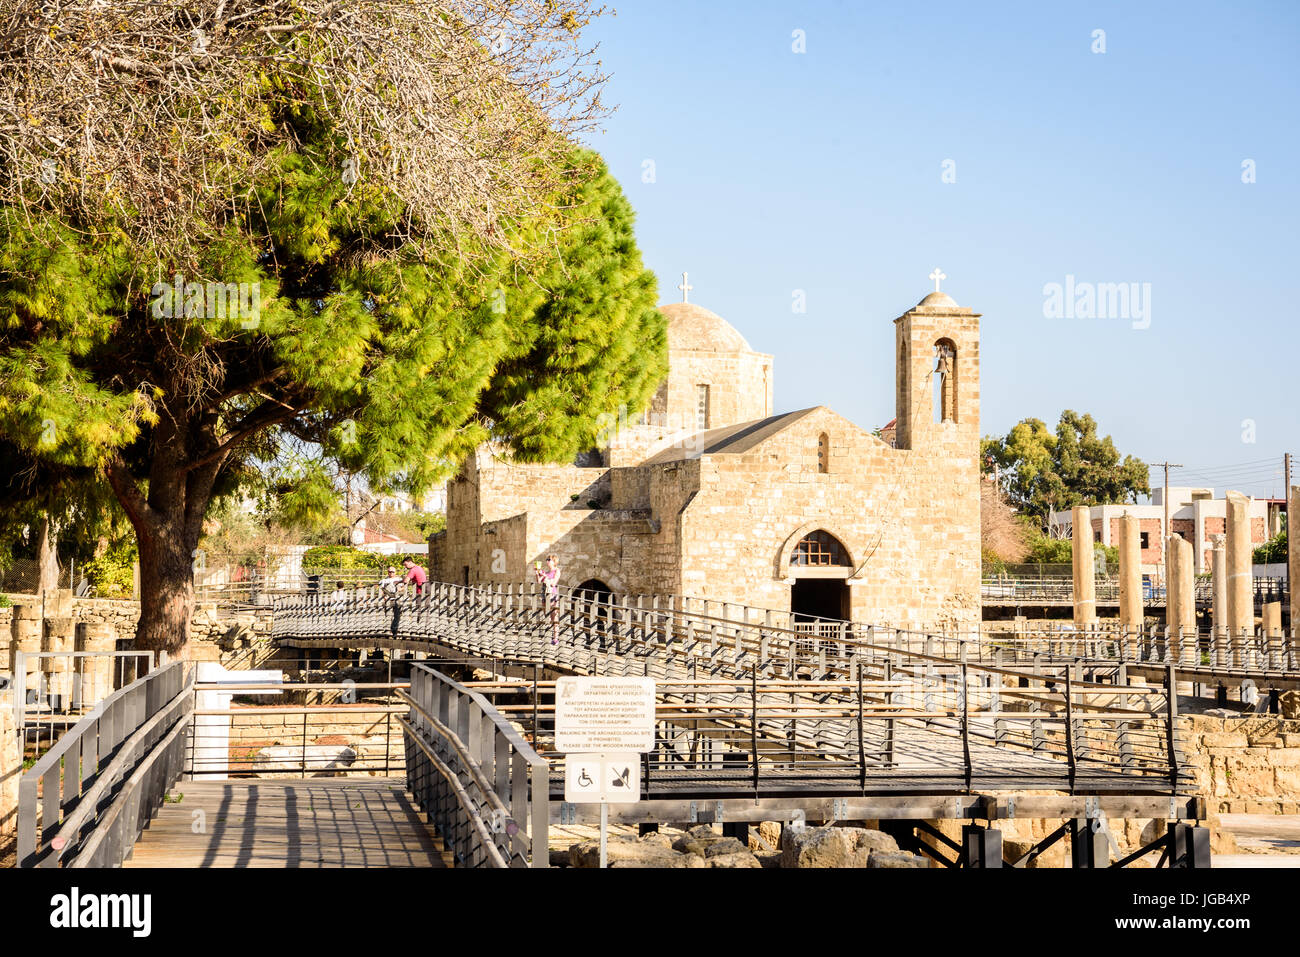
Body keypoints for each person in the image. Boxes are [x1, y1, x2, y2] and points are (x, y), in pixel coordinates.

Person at [535, 554, 561, 644]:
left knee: (554, 617)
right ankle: (546, 637)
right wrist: (538, 574)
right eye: (547, 559)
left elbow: (553, 583)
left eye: (549, 559)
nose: (547, 561)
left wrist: (544, 576)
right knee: (547, 617)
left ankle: (555, 638)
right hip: (545, 595)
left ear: (554, 561)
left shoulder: (557, 571)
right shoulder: (546, 572)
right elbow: (538, 581)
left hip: (552, 595)